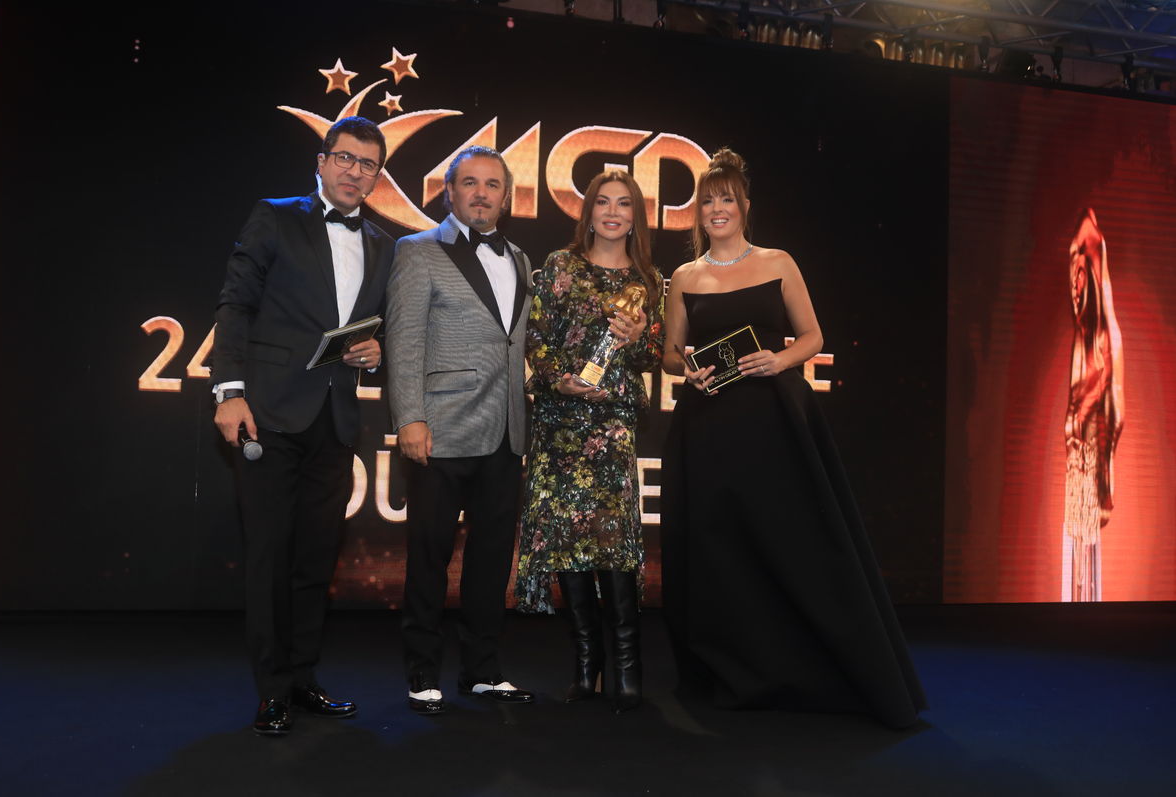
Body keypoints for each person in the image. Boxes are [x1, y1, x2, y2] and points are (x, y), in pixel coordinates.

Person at [660, 148, 926, 729]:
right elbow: (671, 355)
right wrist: (689, 370)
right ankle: (732, 669)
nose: (717, 209)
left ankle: (806, 665)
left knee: (783, 541)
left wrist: (778, 361)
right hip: (707, 427)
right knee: (719, 549)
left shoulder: (778, 262)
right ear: (697, 212)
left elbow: (812, 336)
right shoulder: (684, 277)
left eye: (727, 199)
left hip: (771, 421)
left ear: (744, 206)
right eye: (708, 202)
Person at [211, 116, 394, 736]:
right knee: (269, 557)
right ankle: (270, 691)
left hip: (335, 420)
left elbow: (377, 330)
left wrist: (375, 351)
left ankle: (302, 677)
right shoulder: (274, 216)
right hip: (266, 413)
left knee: (316, 558)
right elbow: (236, 304)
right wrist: (230, 392)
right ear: (322, 161)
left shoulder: (384, 244)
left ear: (376, 176)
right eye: (345, 158)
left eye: (367, 164)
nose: (354, 171)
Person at [386, 146, 536, 714]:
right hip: (440, 428)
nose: (481, 193)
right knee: (429, 557)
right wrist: (410, 417)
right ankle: (422, 672)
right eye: (469, 182)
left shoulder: (520, 258)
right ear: (449, 191)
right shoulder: (418, 250)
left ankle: (482, 671)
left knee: (492, 560)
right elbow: (404, 341)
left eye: (492, 184)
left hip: (505, 431)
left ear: (506, 196)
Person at [515, 170, 663, 713]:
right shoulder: (560, 265)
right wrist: (559, 380)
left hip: (612, 427)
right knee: (569, 540)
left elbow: (653, 357)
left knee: (614, 541)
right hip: (560, 422)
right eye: (603, 202)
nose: (613, 212)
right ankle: (586, 667)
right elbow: (535, 337)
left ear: (636, 217)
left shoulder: (649, 279)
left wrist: (639, 335)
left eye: (624, 204)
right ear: (589, 212)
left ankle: (626, 669)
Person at [1063, 208, 1124, 602]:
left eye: (1081, 273)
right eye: (1072, 273)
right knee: (1076, 564)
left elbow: (1115, 413)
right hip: (1076, 468)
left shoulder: (1105, 339)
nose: (1075, 284)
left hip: (1089, 467)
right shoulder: (1082, 340)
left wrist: (1104, 477)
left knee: (1084, 559)